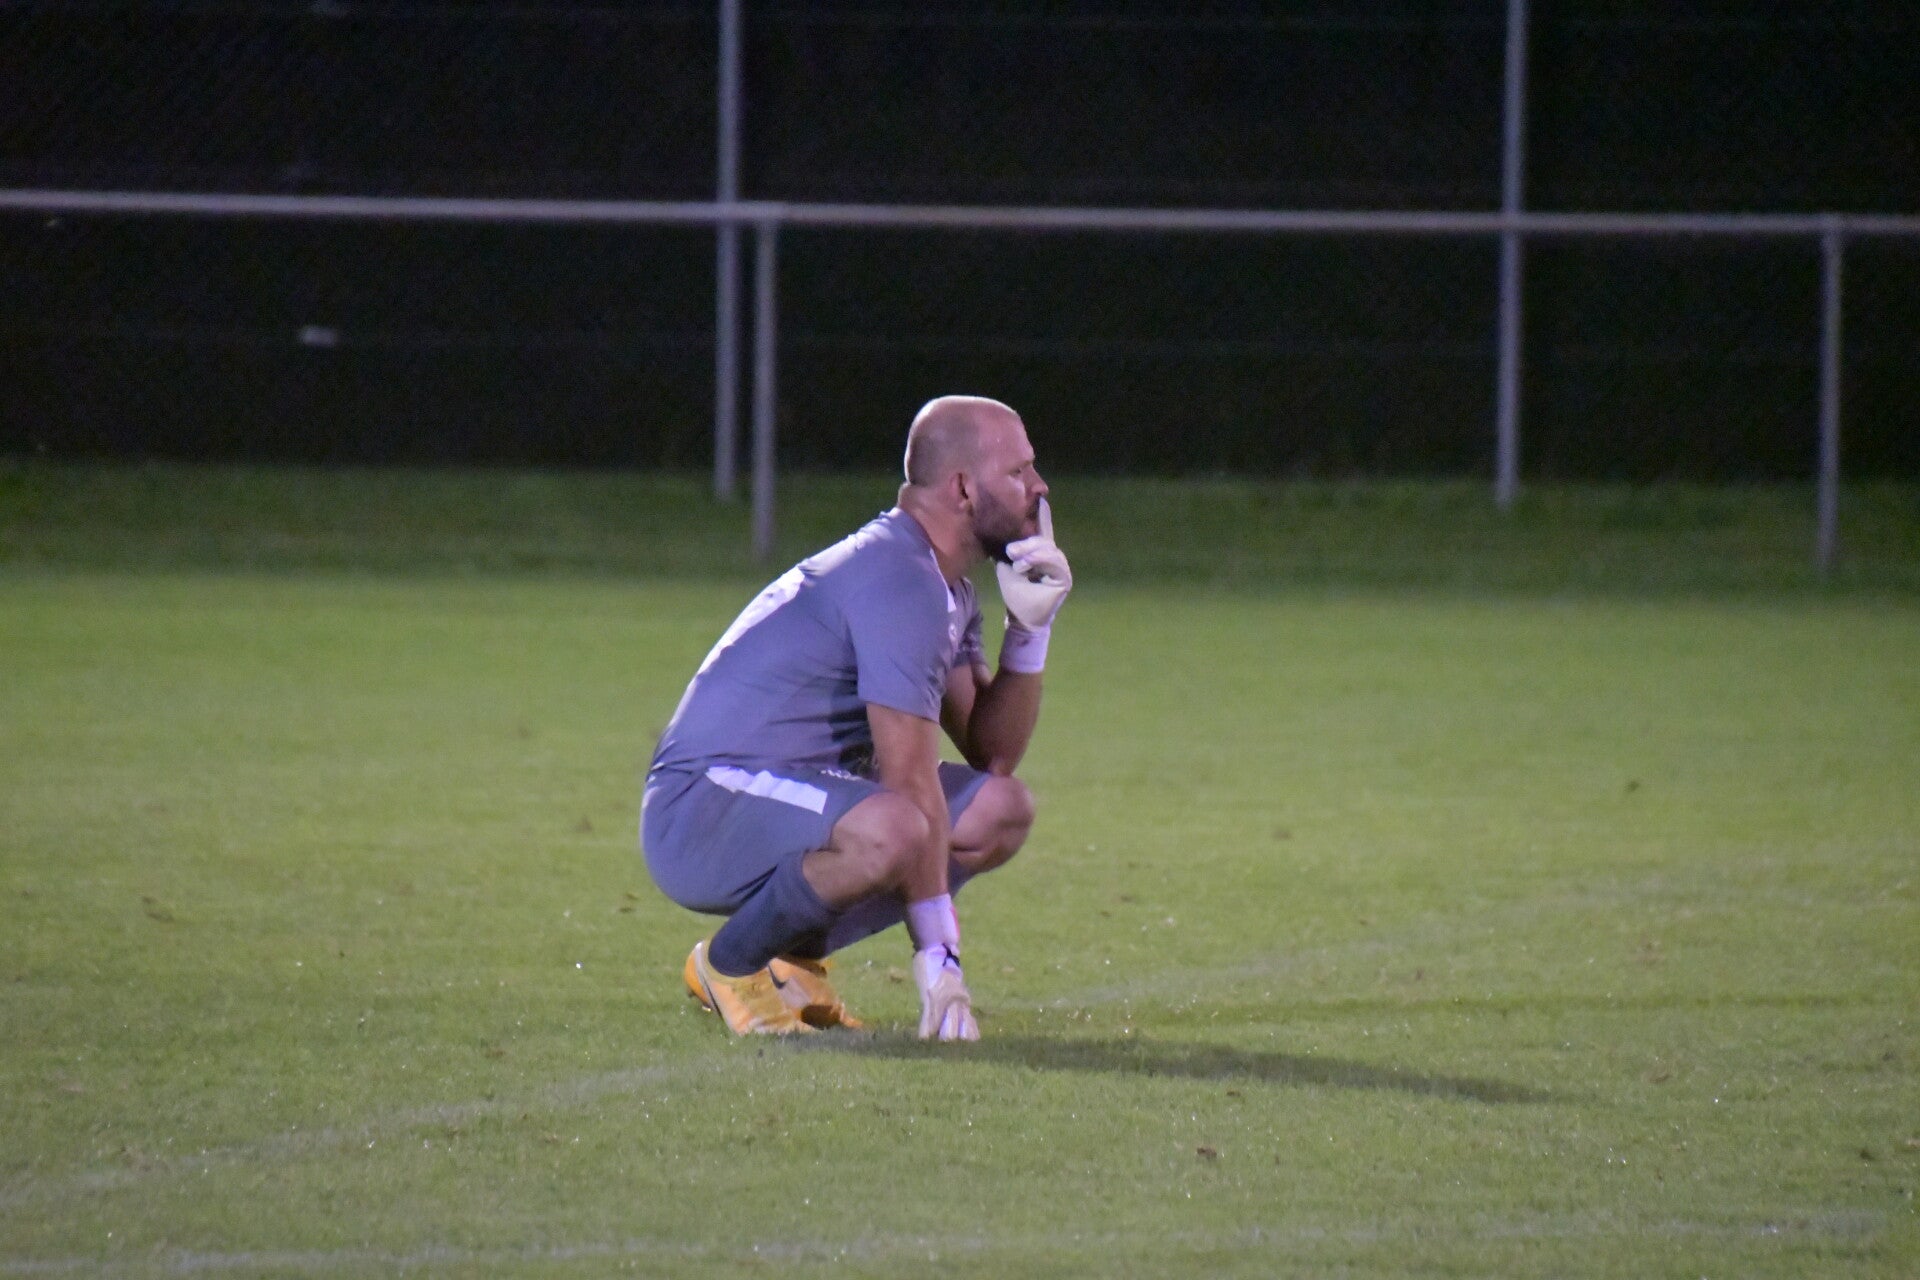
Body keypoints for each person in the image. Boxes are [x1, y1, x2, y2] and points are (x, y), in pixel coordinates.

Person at [640, 395, 1072, 1040]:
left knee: (998, 810)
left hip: (791, 786)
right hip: (703, 804)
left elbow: (993, 754)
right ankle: (730, 965)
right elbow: (908, 781)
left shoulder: (942, 584)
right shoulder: (902, 580)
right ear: (962, 488)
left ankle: (792, 962)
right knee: (895, 825)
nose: (1039, 487)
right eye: (1018, 471)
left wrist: (1029, 633)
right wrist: (939, 962)